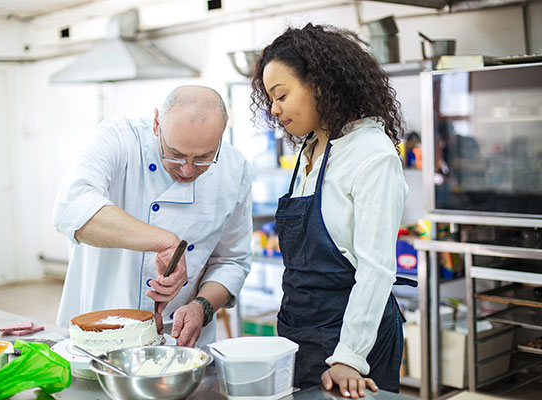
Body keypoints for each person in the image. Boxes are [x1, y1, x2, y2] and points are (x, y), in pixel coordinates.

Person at [250, 24, 416, 397]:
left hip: (351, 341)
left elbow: (376, 269)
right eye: (269, 99)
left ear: (321, 85)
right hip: (299, 333)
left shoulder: (371, 154)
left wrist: (350, 357)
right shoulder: (309, 150)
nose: (274, 110)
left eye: (281, 95)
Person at [53, 85, 252, 347]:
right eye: (176, 154)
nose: (187, 169)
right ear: (157, 123)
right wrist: (165, 242)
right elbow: (71, 207)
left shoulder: (234, 169)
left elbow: (231, 261)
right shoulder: (119, 139)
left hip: (181, 337)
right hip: (102, 328)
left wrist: (201, 307)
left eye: (204, 158)